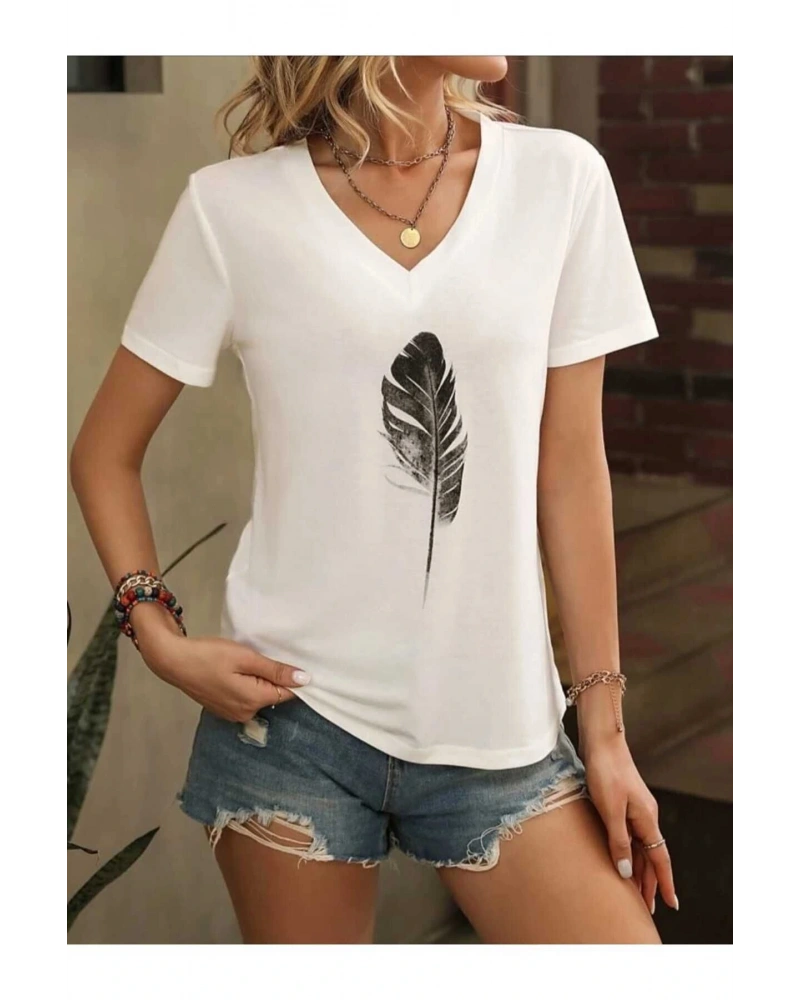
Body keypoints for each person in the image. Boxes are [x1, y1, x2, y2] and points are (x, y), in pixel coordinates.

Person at [69, 56, 677, 945]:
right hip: (290, 730)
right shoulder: (231, 208)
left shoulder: (561, 181)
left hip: (501, 735)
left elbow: (571, 467)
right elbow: (103, 453)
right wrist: (157, 637)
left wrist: (606, 732)